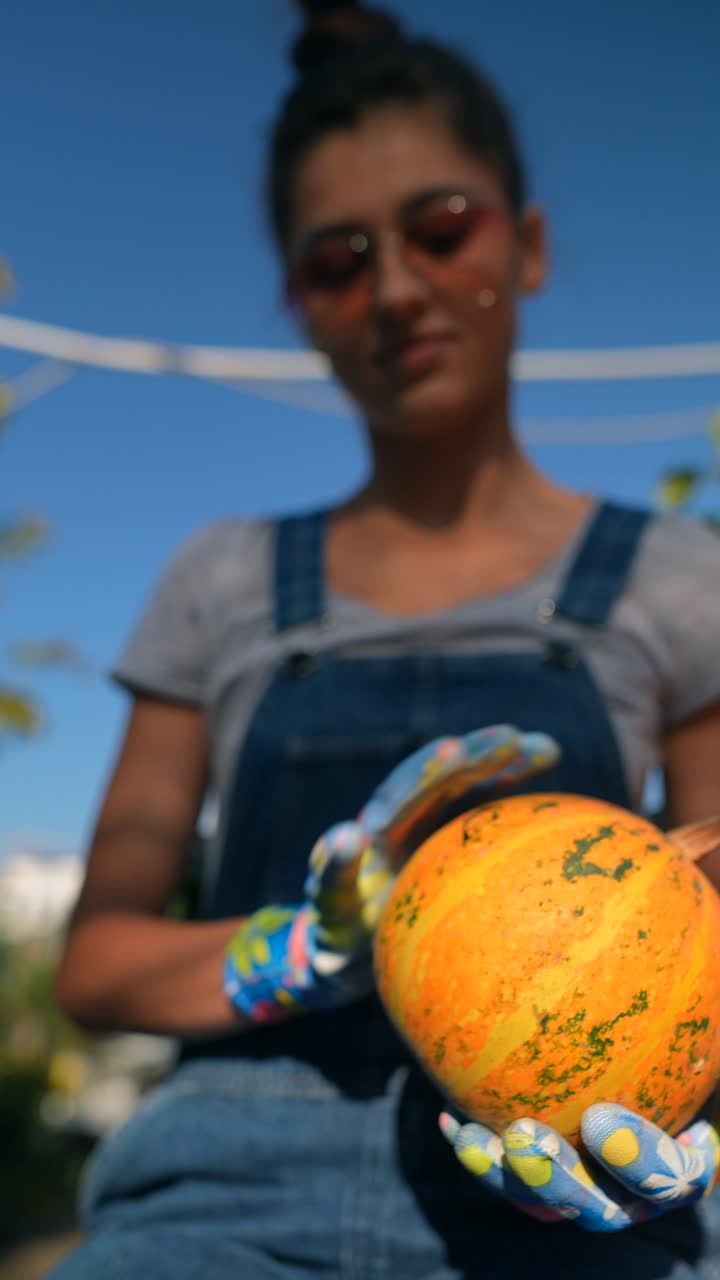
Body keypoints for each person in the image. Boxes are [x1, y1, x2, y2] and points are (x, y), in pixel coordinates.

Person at [48, 2, 720, 1276]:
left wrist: (670, 1088)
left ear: (525, 245)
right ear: (300, 303)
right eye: (339, 259)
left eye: (441, 228)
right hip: (219, 1195)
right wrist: (303, 952)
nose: (398, 287)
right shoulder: (221, 576)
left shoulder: (684, 577)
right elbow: (97, 960)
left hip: (564, 1190)